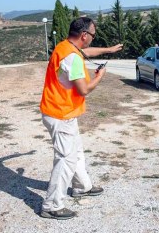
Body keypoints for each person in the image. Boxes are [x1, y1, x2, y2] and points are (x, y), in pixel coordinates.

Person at [39, 17, 123, 220]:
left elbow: (85, 52)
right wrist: (99, 77)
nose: (93, 39)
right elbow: (84, 90)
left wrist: (109, 50)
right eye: (93, 35)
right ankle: (52, 205)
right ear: (84, 35)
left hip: (63, 112)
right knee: (66, 159)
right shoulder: (73, 58)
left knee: (75, 152)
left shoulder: (65, 46)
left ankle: (81, 187)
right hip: (61, 114)